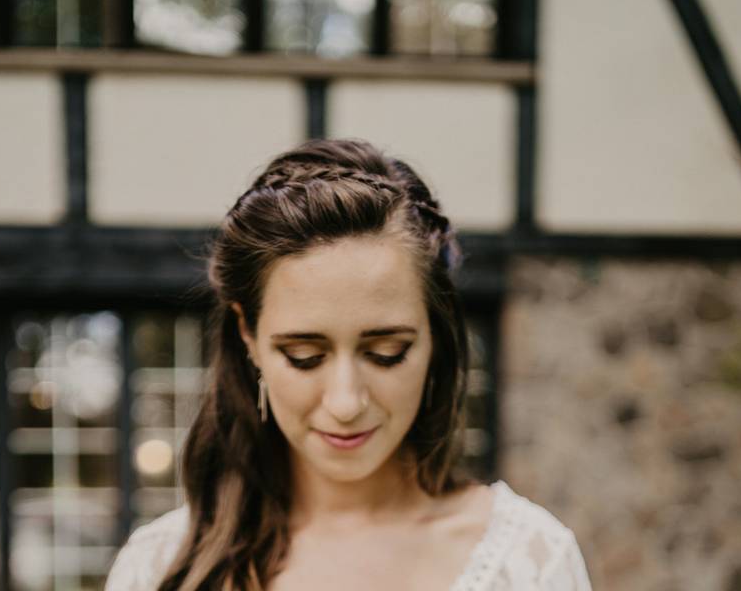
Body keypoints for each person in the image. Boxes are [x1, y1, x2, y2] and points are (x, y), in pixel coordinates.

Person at [105, 138, 592, 590]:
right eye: (304, 357)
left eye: (386, 354)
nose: (345, 403)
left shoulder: (530, 563)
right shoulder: (161, 567)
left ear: (435, 339)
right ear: (248, 336)